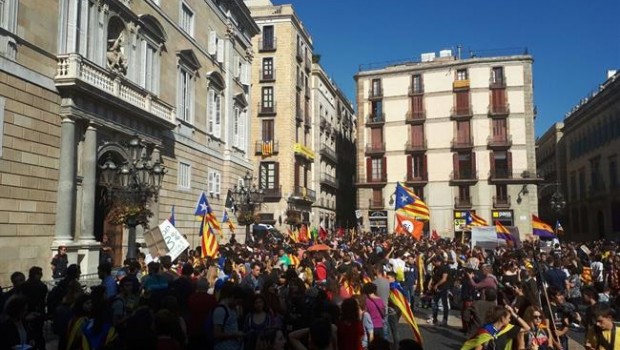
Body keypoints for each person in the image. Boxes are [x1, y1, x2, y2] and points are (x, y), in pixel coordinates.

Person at [461, 305, 530, 350]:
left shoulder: (506, 329)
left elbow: (527, 329)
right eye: (509, 317)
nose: (510, 320)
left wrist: (513, 314)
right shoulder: (485, 331)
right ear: (502, 318)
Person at [428, 256, 451, 326]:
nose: (433, 264)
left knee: (444, 304)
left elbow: (444, 279)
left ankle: (445, 319)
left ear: (437, 261)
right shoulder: (436, 268)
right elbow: (433, 276)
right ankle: (434, 318)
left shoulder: (445, 267)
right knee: (434, 303)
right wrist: (430, 283)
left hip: (443, 288)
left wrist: (437, 285)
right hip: (436, 288)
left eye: (433, 262)